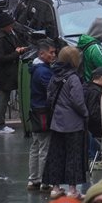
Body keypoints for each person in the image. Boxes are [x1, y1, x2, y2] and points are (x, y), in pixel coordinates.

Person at [44, 46, 89, 198]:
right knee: (73, 156)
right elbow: (78, 101)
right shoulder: (73, 78)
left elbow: (49, 96)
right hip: (73, 124)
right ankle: (72, 190)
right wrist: (85, 113)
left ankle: (55, 188)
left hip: (57, 122)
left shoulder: (54, 75)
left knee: (57, 155)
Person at [28, 39, 57, 191]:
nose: (54, 55)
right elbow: (51, 91)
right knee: (44, 147)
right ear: (41, 53)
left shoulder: (36, 68)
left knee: (36, 146)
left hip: (35, 111)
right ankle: (44, 181)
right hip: (43, 113)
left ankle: (34, 179)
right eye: (51, 52)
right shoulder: (44, 71)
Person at [0, 11, 26, 134]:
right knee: (3, 98)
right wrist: (17, 52)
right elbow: (2, 57)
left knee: (5, 98)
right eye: (10, 24)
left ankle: (0, 123)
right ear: (5, 25)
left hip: (10, 72)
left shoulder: (8, 33)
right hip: (5, 73)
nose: (12, 26)